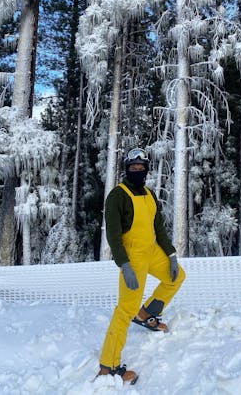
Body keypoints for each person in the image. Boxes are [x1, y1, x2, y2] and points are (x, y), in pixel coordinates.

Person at [97, 147, 186, 385]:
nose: (137, 171)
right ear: (127, 169)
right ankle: (108, 367)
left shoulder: (149, 194)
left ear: (146, 169)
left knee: (176, 277)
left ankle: (146, 314)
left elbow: (159, 228)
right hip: (133, 257)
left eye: (141, 167)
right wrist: (124, 265)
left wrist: (171, 254)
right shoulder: (117, 196)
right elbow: (113, 235)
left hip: (152, 251)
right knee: (126, 309)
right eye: (133, 167)